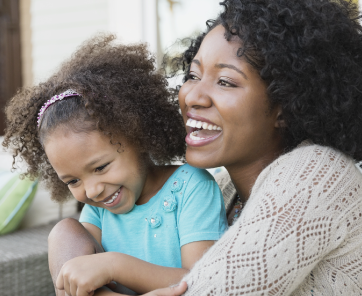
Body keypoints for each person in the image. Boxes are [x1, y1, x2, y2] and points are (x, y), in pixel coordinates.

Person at [146, 0, 362, 295]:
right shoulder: (220, 191)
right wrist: (64, 241)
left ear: (285, 106)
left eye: (225, 82)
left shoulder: (317, 174)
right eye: (193, 76)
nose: (193, 96)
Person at [2, 35, 228, 296]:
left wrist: (114, 265)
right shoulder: (98, 210)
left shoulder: (192, 186)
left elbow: (200, 279)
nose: (92, 191)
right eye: (73, 181)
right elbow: (78, 272)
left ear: (138, 136)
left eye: (100, 168)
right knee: (64, 230)